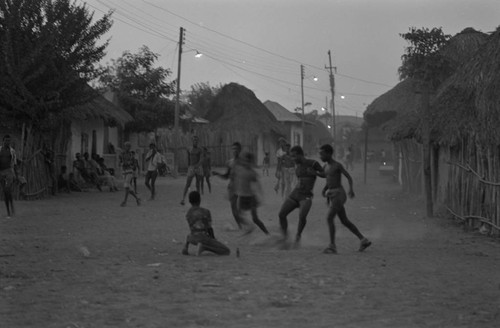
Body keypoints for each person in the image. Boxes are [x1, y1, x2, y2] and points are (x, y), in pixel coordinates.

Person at [319, 144, 372, 254]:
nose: (320, 156)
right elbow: (329, 179)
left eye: (322, 154)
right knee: (344, 221)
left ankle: (332, 246)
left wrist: (351, 189)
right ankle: (363, 240)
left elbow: (348, 177)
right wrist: (324, 189)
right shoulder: (326, 167)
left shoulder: (337, 165)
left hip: (339, 194)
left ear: (329, 154)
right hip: (333, 194)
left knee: (329, 218)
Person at [278, 145, 324, 248]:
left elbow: (325, 173)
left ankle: (298, 236)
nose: (293, 159)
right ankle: (285, 238)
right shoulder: (297, 166)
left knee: (302, 216)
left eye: (294, 156)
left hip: (306, 196)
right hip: (295, 194)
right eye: (292, 157)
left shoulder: (313, 163)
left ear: (300, 154)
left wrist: (315, 173)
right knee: (281, 214)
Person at [181, 191, 231, 256]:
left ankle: (186, 247)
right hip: (203, 238)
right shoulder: (206, 212)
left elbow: (193, 228)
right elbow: (209, 228)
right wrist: (213, 239)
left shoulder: (188, 213)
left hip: (192, 238)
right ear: (200, 200)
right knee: (226, 251)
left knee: (190, 235)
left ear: (190, 201)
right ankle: (204, 247)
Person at [212, 142, 247, 230]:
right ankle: (240, 226)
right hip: (232, 187)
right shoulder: (229, 162)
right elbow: (226, 176)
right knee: (234, 209)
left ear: (240, 150)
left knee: (241, 209)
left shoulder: (243, 162)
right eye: (233, 148)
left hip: (242, 187)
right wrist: (217, 173)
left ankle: (245, 224)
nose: (235, 150)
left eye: (236, 149)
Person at [233, 152, 269, 235]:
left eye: (248, 161)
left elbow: (257, 185)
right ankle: (249, 227)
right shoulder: (240, 170)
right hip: (242, 197)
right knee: (238, 215)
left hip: (251, 198)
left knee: (255, 218)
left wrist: (261, 196)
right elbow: (237, 181)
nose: (246, 163)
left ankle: (267, 233)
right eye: (245, 161)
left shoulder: (252, 173)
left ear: (251, 162)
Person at [180, 136, 203, 205]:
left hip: (198, 167)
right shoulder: (189, 149)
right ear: (192, 141)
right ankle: (183, 199)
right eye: (194, 140)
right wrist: (189, 166)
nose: (195, 142)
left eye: (196, 140)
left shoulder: (200, 149)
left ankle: (198, 200)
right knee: (188, 183)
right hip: (191, 167)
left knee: (198, 184)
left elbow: (201, 159)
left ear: (198, 141)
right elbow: (188, 158)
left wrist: (197, 166)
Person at [0, 135, 18, 218]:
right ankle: (9, 210)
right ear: (3, 141)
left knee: (7, 189)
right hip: (1, 172)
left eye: (9, 141)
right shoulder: (0, 150)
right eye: (6, 141)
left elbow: (15, 163)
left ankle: (10, 209)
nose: (7, 142)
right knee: (5, 192)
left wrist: (16, 175)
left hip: (9, 172)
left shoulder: (12, 151)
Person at [119, 141, 141, 207]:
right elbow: (119, 163)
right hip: (124, 172)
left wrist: (129, 164)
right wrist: (122, 164)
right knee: (129, 188)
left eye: (129, 146)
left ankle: (125, 201)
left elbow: (134, 165)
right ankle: (137, 199)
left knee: (126, 186)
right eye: (126, 146)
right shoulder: (121, 154)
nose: (128, 147)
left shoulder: (131, 155)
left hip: (129, 171)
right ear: (124, 146)